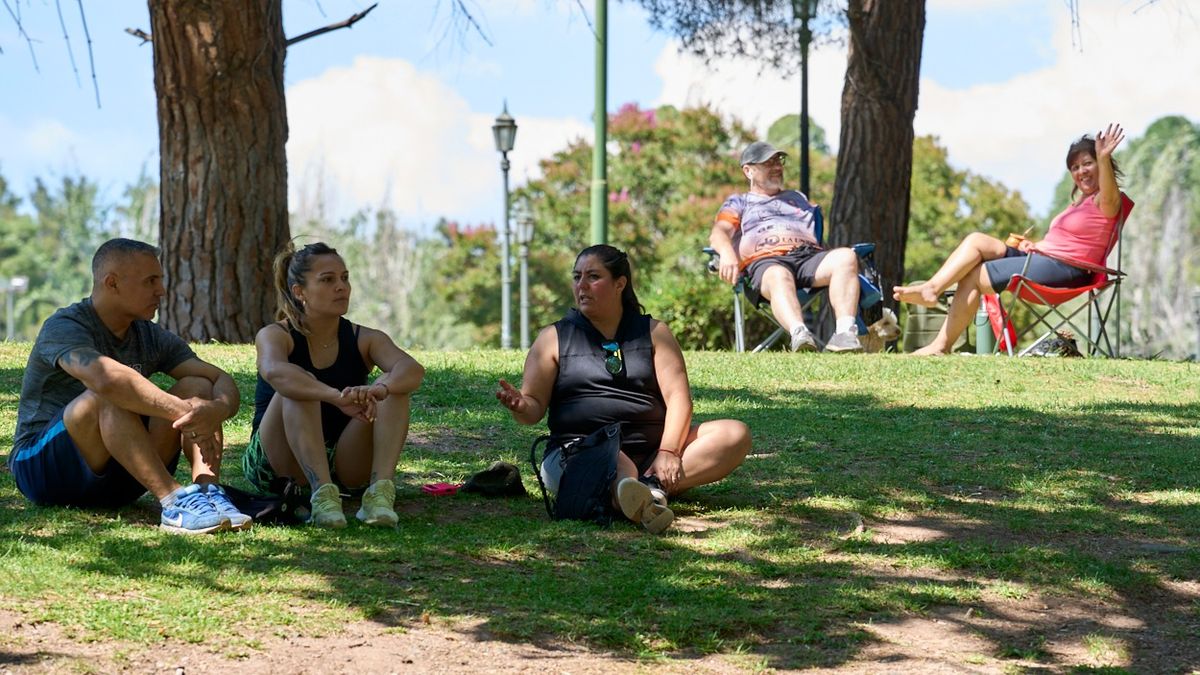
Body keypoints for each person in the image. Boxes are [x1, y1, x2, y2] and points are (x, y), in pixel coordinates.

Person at [496, 245, 750, 534]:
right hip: (580, 454)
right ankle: (641, 498)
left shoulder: (654, 332)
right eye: (577, 277)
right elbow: (533, 410)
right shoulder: (552, 338)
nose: (582, 285)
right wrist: (521, 405)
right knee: (610, 450)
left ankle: (645, 490)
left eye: (593, 276)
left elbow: (679, 399)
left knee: (734, 434)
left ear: (620, 283)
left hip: (652, 455)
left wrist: (668, 451)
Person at [9, 238, 249, 534]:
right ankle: (173, 502)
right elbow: (106, 380)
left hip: (120, 480)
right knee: (107, 394)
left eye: (160, 280)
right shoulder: (65, 326)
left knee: (196, 385)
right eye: (150, 281)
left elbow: (218, 379)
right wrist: (186, 412)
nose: (160, 290)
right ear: (112, 283)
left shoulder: (149, 335)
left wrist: (216, 409)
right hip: (43, 472)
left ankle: (210, 494)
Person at [894, 123, 1132, 355]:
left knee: (975, 275)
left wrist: (1102, 157)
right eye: (1075, 167)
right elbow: (1061, 242)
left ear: (1102, 165)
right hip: (1043, 260)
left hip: (1067, 270)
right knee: (977, 240)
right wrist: (1035, 246)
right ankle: (931, 289)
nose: (1081, 171)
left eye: (1088, 163)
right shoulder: (1079, 203)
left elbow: (1107, 201)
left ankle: (940, 346)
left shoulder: (1106, 200)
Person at [245, 242, 424, 529]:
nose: (341, 287)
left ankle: (379, 495)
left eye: (344, 278)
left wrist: (380, 389)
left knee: (394, 390)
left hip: (344, 459)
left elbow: (411, 369)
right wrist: (334, 396)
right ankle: (322, 497)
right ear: (299, 292)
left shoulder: (365, 338)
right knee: (297, 384)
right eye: (328, 280)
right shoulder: (276, 334)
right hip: (280, 463)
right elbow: (274, 371)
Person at [710, 141, 865, 352]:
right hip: (766, 263)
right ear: (748, 170)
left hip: (807, 258)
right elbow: (719, 232)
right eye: (768, 163)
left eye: (778, 161)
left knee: (846, 256)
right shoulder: (739, 202)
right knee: (778, 274)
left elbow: (817, 235)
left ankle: (845, 334)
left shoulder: (797, 198)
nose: (777, 167)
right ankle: (800, 334)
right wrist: (727, 253)